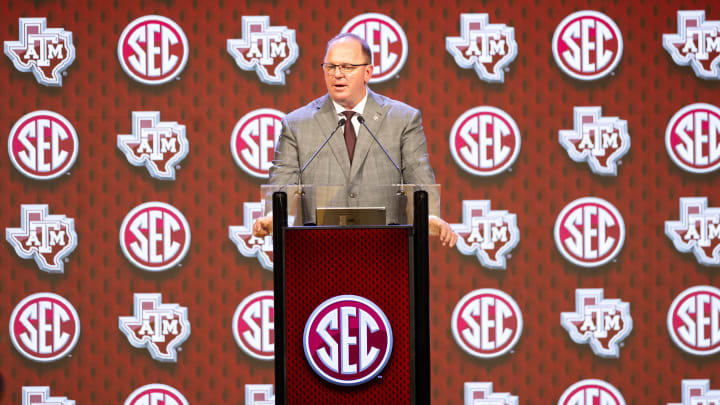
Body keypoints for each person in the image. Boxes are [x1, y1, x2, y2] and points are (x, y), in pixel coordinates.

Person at [253, 33, 457, 247]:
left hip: (386, 248)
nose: (337, 75)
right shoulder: (296, 123)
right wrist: (272, 216)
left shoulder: (402, 119)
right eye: (330, 67)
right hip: (318, 249)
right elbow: (283, 183)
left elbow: (419, 176)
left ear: (367, 72)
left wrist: (430, 216)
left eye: (347, 67)